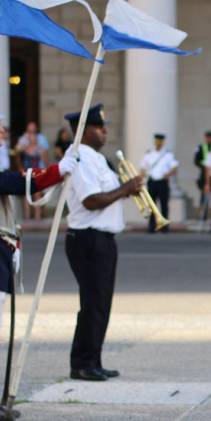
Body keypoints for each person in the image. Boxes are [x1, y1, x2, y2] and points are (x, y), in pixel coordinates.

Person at [0, 88, 78, 421]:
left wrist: (56, 175)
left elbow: (10, 183)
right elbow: (8, 182)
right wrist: (53, 171)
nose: (2, 131)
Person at [65, 104, 141, 381]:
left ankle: (93, 359)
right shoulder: (80, 158)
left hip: (102, 239)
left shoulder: (96, 158)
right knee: (92, 303)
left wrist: (124, 190)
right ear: (84, 131)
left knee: (101, 303)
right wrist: (126, 188)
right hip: (88, 238)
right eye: (99, 127)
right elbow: (91, 200)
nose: (105, 131)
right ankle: (82, 363)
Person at [140, 133, 178, 233]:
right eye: (156, 141)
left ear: (163, 142)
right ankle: (152, 226)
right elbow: (142, 167)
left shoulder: (168, 154)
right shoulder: (148, 154)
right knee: (152, 205)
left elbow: (174, 168)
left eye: (160, 141)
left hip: (163, 182)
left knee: (164, 204)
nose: (158, 143)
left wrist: (167, 174)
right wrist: (144, 174)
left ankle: (164, 226)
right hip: (152, 181)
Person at [16, 122, 50, 220]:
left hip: (37, 172)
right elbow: (17, 150)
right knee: (27, 194)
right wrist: (25, 137)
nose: (31, 136)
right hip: (27, 172)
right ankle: (27, 215)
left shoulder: (40, 144)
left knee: (37, 194)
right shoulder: (24, 144)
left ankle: (37, 216)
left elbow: (45, 159)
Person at [194, 130, 211, 216]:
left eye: (210, 137)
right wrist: (205, 165)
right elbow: (196, 161)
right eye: (207, 137)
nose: (209, 139)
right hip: (204, 172)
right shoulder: (201, 147)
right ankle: (203, 213)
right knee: (204, 194)